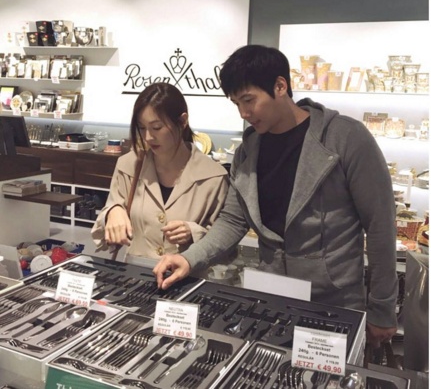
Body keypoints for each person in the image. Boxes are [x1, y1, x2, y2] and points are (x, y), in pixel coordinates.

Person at [154, 45, 398, 348]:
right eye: (236, 103)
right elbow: (232, 220)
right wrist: (188, 258)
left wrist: (382, 307)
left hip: (334, 303)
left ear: (280, 86)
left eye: (249, 100)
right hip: (272, 299)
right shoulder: (248, 151)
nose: (244, 113)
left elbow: (380, 225)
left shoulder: (345, 138)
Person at [91, 82, 229, 264]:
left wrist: (193, 232)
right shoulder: (128, 165)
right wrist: (112, 212)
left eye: (156, 127)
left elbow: (226, 236)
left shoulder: (213, 176)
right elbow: (105, 225)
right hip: (135, 273)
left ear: (182, 121)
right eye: (142, 128)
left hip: (188, 275)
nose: (148, 137)